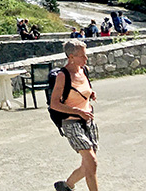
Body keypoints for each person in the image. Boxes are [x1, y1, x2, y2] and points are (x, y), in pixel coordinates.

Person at [51, 40, 99, 191]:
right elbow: (54, 104)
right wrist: (78, 111)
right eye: (82, 56)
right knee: (92, 162)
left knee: (88, 164)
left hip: (88, 121)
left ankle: (66, 186)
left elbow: (82, 89)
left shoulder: (83, 70)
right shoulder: (62, 76)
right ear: (71, 57)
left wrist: (90, 93)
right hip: (71, 123)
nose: (86, 59)